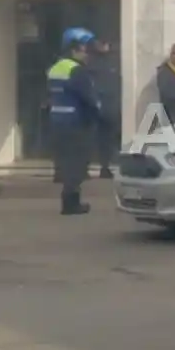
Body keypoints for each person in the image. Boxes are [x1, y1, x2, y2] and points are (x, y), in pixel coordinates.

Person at [47, 27, 102, 216]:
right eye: (83, 49)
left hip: (58, 121)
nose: (86, 53)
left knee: (66, 163)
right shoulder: (76, 71)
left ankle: (69, 201)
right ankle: (71, 203)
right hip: (76, 123)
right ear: (73, 50)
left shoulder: (55, 68)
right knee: (77, 164)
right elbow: (89, 98)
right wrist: (98, 113)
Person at [92, 40, 122, 179]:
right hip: (96, 105)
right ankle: (101, 165)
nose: (103, 46)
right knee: (97, 138)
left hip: (111, 105)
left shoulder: (115, 61)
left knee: (109, 138)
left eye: (105, 43)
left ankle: (106, 166)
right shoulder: (91, 62)